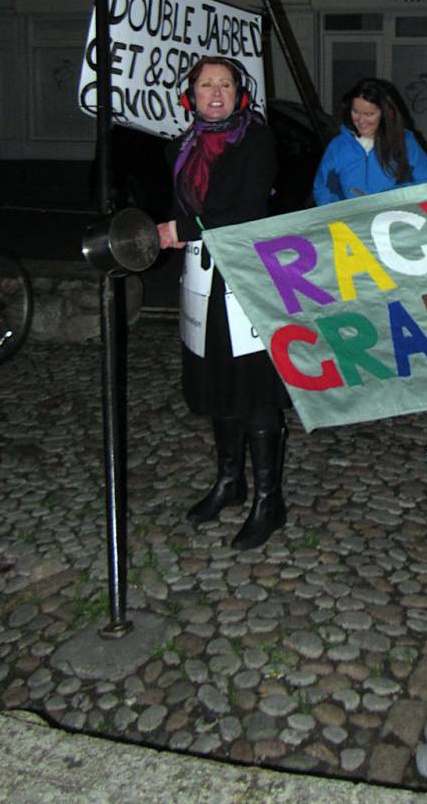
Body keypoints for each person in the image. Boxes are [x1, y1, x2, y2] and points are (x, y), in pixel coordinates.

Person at [157, 56, 291, 550]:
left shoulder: (255, 140)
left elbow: (245, 209)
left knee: (255, 387)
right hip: (202, 279)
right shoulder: (180, 147)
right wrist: (173, 233)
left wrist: (182, 228)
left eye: (226, 84)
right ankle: (230, 483)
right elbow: (182, 206)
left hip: (249, 278)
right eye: (206, 84)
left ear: (240, 94)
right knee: (216, 379)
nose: (216, 92)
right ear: (190, 94)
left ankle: (269, 500)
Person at [313, 76, 427, 205]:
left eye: (369, 114)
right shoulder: (338, 146)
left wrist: (383, 201)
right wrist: (342, 210)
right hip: (348, 220)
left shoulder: (406, 143)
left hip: (393, 218)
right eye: (355, 112)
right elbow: (323, 189)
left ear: (386, 114)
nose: (360, 120)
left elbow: (424, 183)